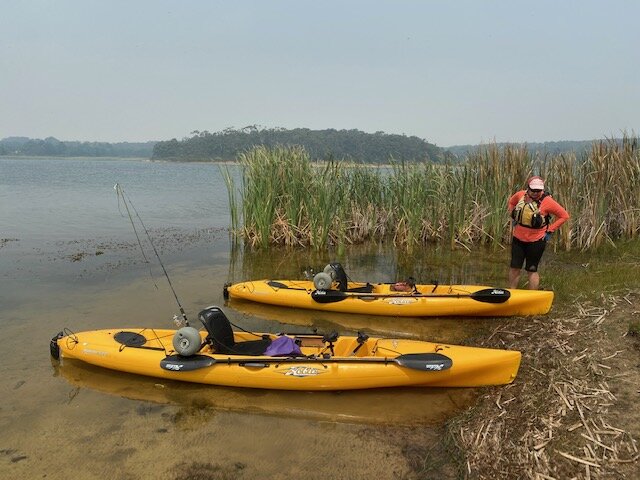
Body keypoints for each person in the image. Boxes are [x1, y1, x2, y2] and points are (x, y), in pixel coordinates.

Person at [507, 176, 569, 290]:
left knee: (531, 269)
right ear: (528, 188)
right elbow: (511, 202)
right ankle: (512, 292)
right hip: (518, 239)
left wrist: (550, 229)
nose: (535, 193)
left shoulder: (547, 201)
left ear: (542, 190)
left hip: (536, 241)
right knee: (515, 267)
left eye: (538, 191)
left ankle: (532, 296)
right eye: (533, 190)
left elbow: (564, 216)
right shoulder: (520, 195)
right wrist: (513, 217)